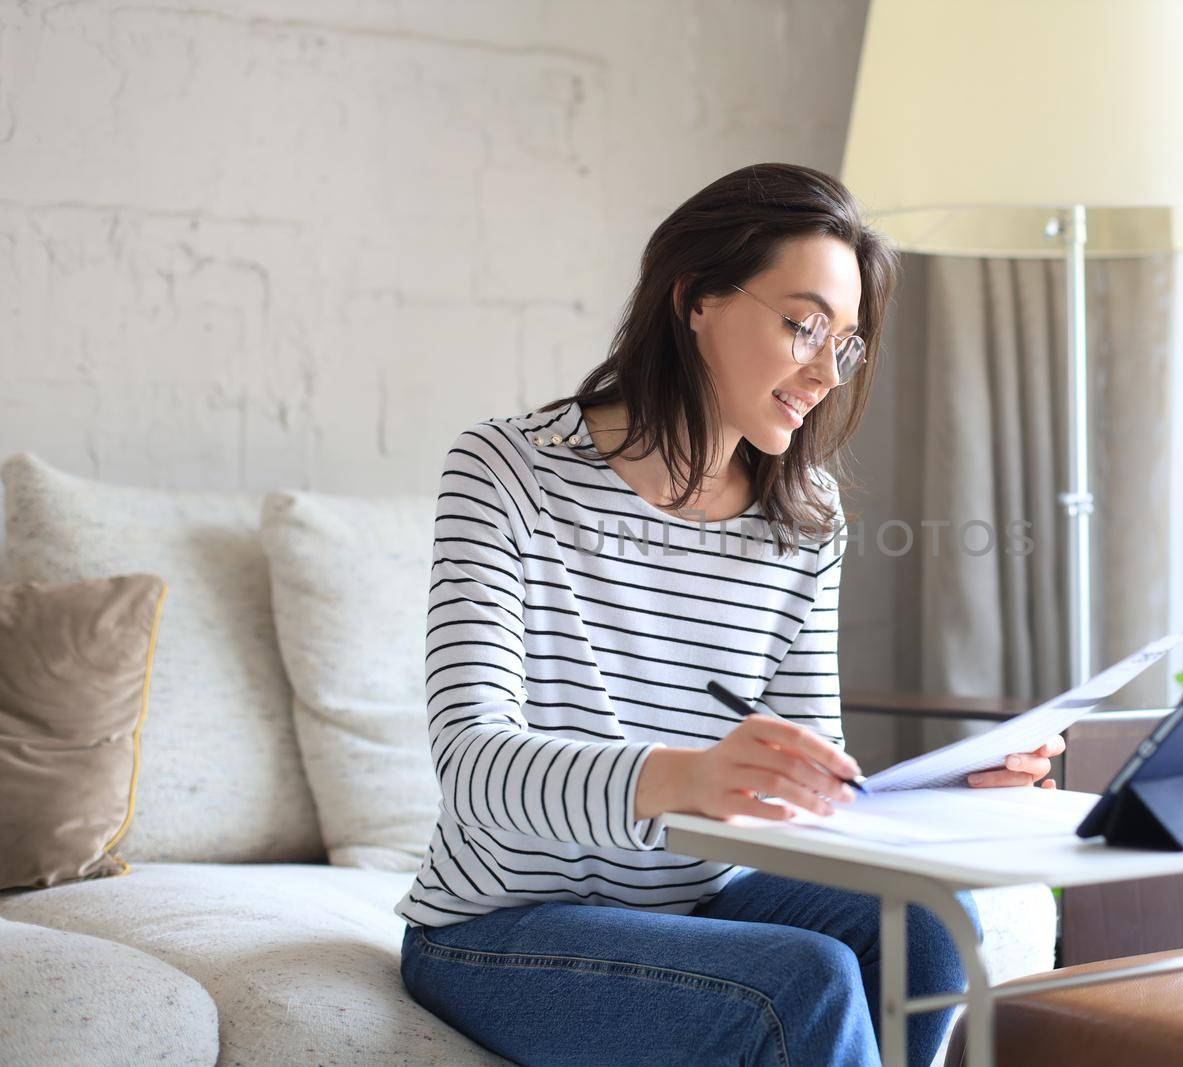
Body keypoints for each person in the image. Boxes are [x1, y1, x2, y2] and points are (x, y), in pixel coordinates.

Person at [394, 162, 1065, 1067]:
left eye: (848, 341)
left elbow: (812, 783)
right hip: (501, 927)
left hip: (700, 907)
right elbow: (472, 766)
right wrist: (682, 777)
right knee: (803, 981)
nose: (828, 370)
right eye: (804, 325)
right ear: (697, 298)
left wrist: (952, 794)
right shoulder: (508, 471)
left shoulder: (806, 517)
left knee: (926, 927)